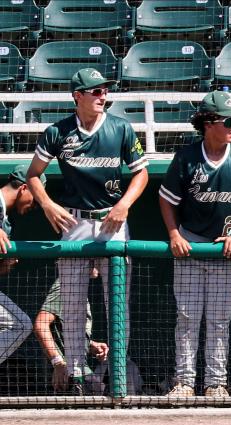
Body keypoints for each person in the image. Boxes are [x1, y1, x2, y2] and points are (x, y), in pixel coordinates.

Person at [26, 68, 148, 395]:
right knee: (73, 304)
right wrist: (49, 205)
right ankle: (77, 378)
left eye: (104, 90)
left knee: (117, 304)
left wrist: (124, 205)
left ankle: (117, 376)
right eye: (94, 91)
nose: (101, 95)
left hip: (113, 221)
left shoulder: (120, 128)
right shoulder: (58, 131)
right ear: (77, 96)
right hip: (75, 222)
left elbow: (141, 175)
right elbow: (33, 174)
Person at [159, 90, 231, 398]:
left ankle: (216, 383)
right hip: (191, 244)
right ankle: (185, 382)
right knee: (187, 318)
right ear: (208, 123)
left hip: (226, 250)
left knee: (219, 321)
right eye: (228, 120)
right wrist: (174, 234)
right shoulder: (187, 157)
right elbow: (165, 200)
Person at [0, 165, 45, 366]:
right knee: (20, 325)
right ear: (24, 188)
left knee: (20, 324)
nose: (35, 205)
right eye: (36, 199)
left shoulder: (5, 220)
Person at [34, 274, 108, 393]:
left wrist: (90, 344)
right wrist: (58, 363)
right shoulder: (67, 284)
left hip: (75, 371)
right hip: (67, 375)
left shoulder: (76, 284)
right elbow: (41, 324)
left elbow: (64, 328)